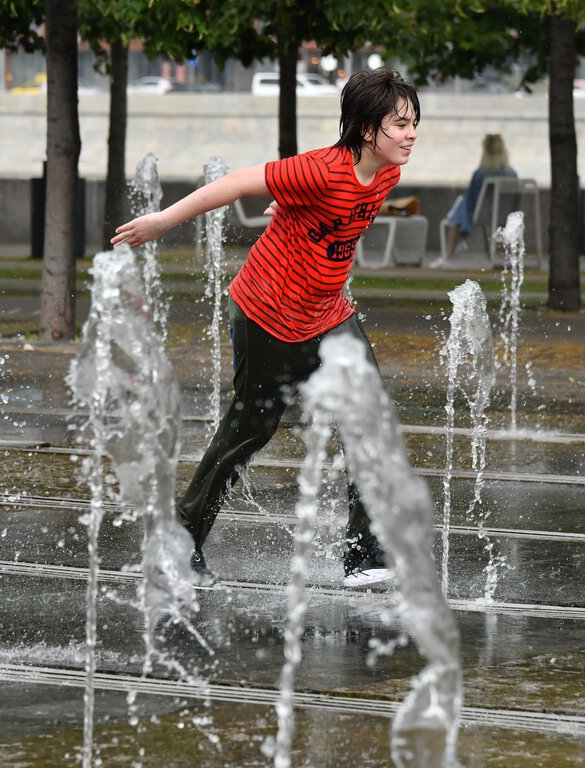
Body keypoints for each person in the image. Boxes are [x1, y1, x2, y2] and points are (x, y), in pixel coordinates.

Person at [112, 67, 420, 589]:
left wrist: (295, 208)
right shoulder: (319, 169)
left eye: (414, 123)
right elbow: (232, 184)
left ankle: (363, 553)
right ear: (368, 130)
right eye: (400, 124)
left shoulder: (387, 172)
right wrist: (162, 221)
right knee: (250, 429)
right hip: (268, 313)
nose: (411, 134)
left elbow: (341, 216)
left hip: (328, 313)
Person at [430, 133, 516, 268]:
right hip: (506, 214)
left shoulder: (482, 173)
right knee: (459, 207)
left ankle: (452, 250)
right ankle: (460, 239)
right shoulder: (512, 174)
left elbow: (472, 199)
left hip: (482, 214)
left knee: (456, 213)